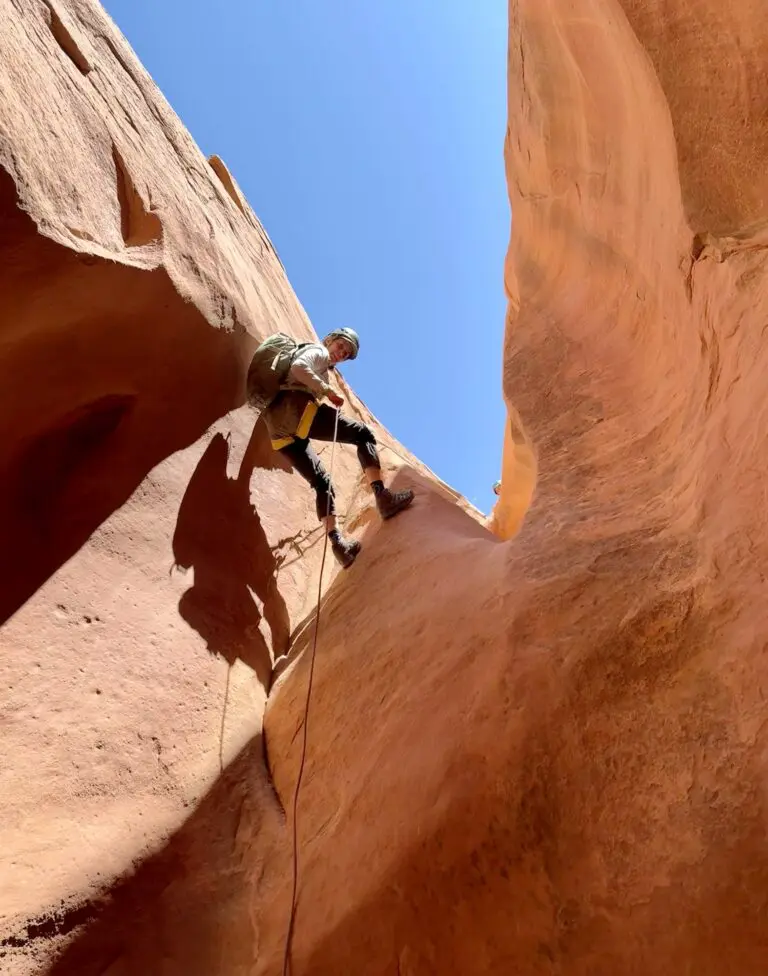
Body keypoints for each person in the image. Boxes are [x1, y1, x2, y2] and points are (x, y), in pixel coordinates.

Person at [263, 328, 414, 568]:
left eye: (346, 353)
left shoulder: (323, 360)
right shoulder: (318, 351)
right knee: (363, 433)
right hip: (296, 409)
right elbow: (298, 368)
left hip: (279, 432)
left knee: (322, 482)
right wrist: (327, 390)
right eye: (341, 346)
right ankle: (383, 497)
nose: (341, 353)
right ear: (329, 339)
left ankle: (338, 545)